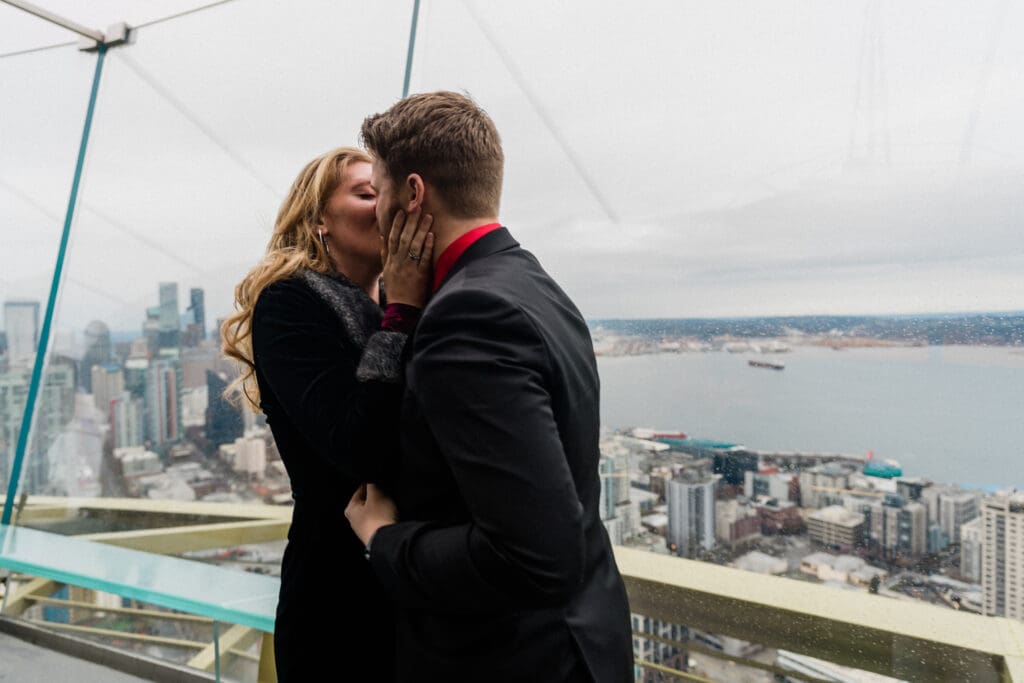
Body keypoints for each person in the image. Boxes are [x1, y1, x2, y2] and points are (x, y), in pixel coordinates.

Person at [345, 92, 633, 682]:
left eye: (380, 192)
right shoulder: (534, 284)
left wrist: (386, 540)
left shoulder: (468, 314)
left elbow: (537, 557)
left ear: (414, 195)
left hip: (510, 657)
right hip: (580, 641)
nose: (376, 216)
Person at [221, 146, 433, 682]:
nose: (385, 206)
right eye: (366, 193)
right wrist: (403, 311)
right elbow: (358, 443)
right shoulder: (288, 303)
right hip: (337, 603)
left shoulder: (399, 302)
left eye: (386, 193)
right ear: (318, 220)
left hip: (407, 583)